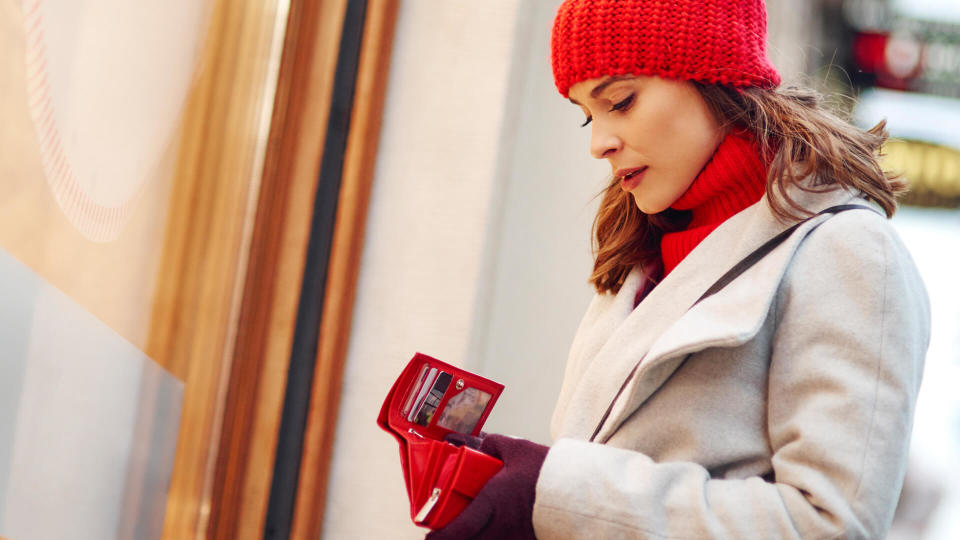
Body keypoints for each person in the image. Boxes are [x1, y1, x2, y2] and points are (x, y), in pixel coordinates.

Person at [427, 0, 931, 538]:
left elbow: (832, 525)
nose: (599, 143)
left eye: (620, 101)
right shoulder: (643, 253)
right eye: (586, 114)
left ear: (713, 75)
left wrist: (552, 495)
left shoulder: (848, 252)